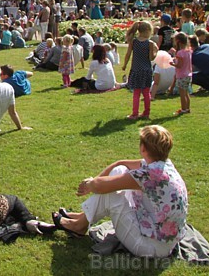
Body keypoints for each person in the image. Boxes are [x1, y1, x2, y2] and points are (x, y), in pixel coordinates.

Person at [52, 125, 188, 258]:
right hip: (161, 237)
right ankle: (83, 218)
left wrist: (90, 183)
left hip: (151, 247)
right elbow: (120, 164)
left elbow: (101, 187)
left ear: (143, 148)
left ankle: (78, 226)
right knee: (118, 172)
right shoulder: (163, 164)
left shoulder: (150, 174)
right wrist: (95, 181)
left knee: (110, 194)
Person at [123, 21, 157, 119]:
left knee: (136, 93)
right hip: (147, 70)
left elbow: (128, 54)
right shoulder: (150, 43)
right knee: (146, 92)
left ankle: (135, 113)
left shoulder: (133, 41)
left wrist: (125, 65)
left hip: (136, 69)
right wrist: (155, 50)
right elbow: (151, 58)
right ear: (147, 31)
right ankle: (146, 113)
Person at [170, 33, 193, 116]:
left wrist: (172, 64)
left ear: (178, 42)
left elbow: (179, 65)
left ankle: (183, 109)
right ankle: (187, 108)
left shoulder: (180, 53)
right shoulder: (189, 51)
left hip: (181, 75)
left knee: (182, 94)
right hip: (188, 74)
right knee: (186, 93)